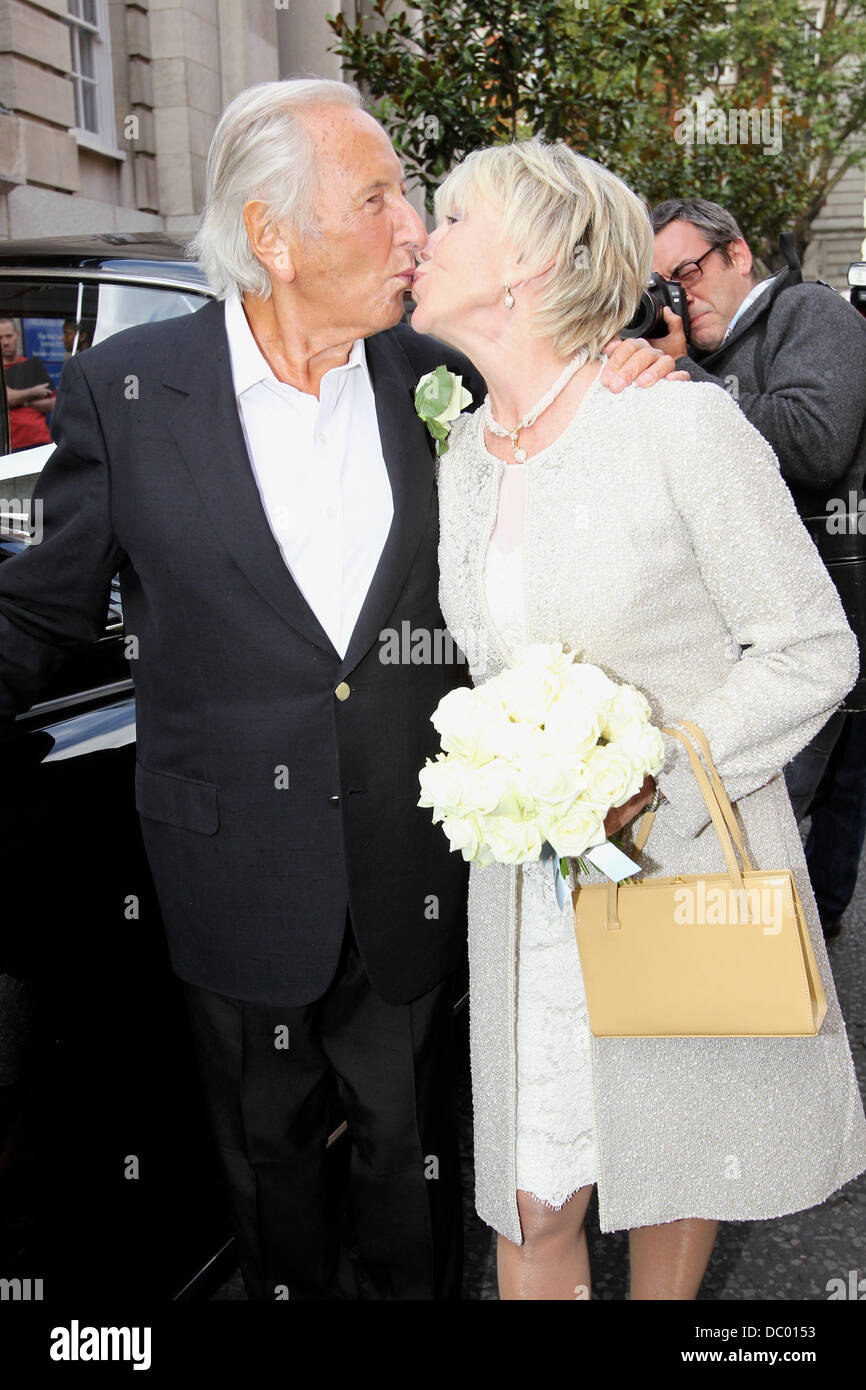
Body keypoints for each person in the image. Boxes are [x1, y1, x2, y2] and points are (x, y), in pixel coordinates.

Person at [0, 80, 678, 1301]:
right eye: (375, 198)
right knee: (267, 1174)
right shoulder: (130, 394)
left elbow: (570, 452)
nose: (411, 225)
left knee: (410, 1162)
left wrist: (626, 366)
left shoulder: (443, 378)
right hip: (228, 876)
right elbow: (40, 612)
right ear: (272, 234)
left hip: (410, 861)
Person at [411, 140, 866, 1300]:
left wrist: (647, 767)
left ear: (528, 263)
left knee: (670, 1166)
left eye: (451, 220)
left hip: (672, 871)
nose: (422, 238)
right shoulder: (465, 451)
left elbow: (813, 647)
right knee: (526, 1199)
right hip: (528, 899)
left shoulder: (679, 428)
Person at [649, 198, 866, 938]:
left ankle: (804, 951)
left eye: (688, 272)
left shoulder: (807, 313)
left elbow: (814, 442)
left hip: (821, 624)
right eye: (662, 287)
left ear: (739, 254)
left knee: (795, 802)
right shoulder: (706, 361)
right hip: (762, 632)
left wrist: (684, 378)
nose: (680, 297)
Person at [0, 317, 55, 451]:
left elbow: (55, 404)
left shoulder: (32, 366)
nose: (5, 342)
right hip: (10, 446)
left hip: (41, 440)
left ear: (17, 335)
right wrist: (33, 393)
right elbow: (6, 399)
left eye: (9, 336)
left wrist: (24, 401)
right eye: (1, 337)